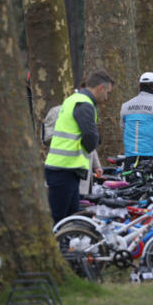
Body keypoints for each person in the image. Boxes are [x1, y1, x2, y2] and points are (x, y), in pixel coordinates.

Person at [45, 70, 114, 223]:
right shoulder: (84, 104)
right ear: (100, 88)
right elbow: (90, 136)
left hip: (63, 167)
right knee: (59, 219)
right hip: (65, 168)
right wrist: (94, 142)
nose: (106, 98)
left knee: (70, 217)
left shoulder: (73, 100)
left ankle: (65, 244)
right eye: (107, 93)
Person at [120, 72, 153, 171]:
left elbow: (123, 129)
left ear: (139, 86)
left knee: (132, 185)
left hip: (131, 156)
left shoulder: (125, 106)